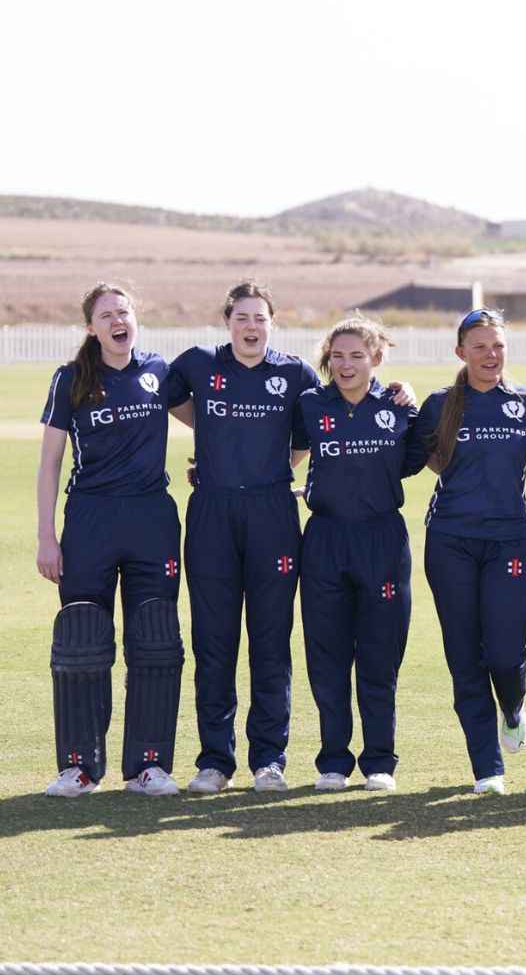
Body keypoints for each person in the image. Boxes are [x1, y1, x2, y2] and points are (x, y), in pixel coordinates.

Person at [164, 281, 321, 794]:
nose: (251, 327)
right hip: (212, 511)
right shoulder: (198, 363)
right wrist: (210, 437)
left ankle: (269, 760)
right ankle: (215, 761)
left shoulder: (296, 374)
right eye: (242, 318)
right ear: (227, 322)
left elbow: (313, 431)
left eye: (260, 318)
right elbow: (166, 396)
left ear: (272, 323)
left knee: (271, 641)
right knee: (214, 641)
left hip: (273, 512)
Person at [415, 309, 526, 795]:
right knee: (465, 656)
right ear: (461, 352)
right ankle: (487, 768)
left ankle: (512, 706)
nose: (491, 355)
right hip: (449, 540)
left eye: (498, 346)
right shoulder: (439, 404)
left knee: (505, 654)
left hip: (508, 538)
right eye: (480, 347)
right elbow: (410, 455)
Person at [37, 283, 186, 797]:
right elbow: (50, 463)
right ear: (91, 327)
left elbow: (214, 418)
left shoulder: (158, 371)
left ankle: (150, 766)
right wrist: (46, 536)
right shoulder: (71, 379)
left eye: (124, 312)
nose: (118, 321)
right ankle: (79, 768)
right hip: (90, 520)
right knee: (82, 640)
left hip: (152, 520)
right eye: (107, 315)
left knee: (155, 641)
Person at [293, 316, 426, 792]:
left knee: (379, 658)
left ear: (377, 358)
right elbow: (278, 454)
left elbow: (415, 461)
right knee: (327, 656)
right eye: (338, 355)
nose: (345, 364)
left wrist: (408, 395)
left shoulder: (399, 407)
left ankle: (379, 763)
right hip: (325, 541)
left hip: (382, 541)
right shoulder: (309, 404)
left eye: (356, 355)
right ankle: (333, 762)